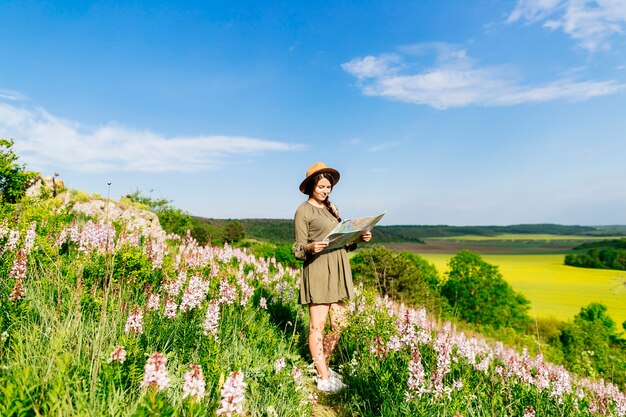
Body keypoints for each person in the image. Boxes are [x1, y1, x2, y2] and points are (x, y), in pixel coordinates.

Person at [292, 162, 372, 393]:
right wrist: (310, 248)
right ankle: (324, 377)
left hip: (338, 268)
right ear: (311, 187)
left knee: (340, 323)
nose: (326, 191)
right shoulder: (303, 211)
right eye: (322, 187)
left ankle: (322, 365)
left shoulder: (331, 208)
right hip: (318, 268)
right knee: (317, 326)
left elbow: (341, 242)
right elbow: (297, 248)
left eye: (329, 187)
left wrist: (358, 238)